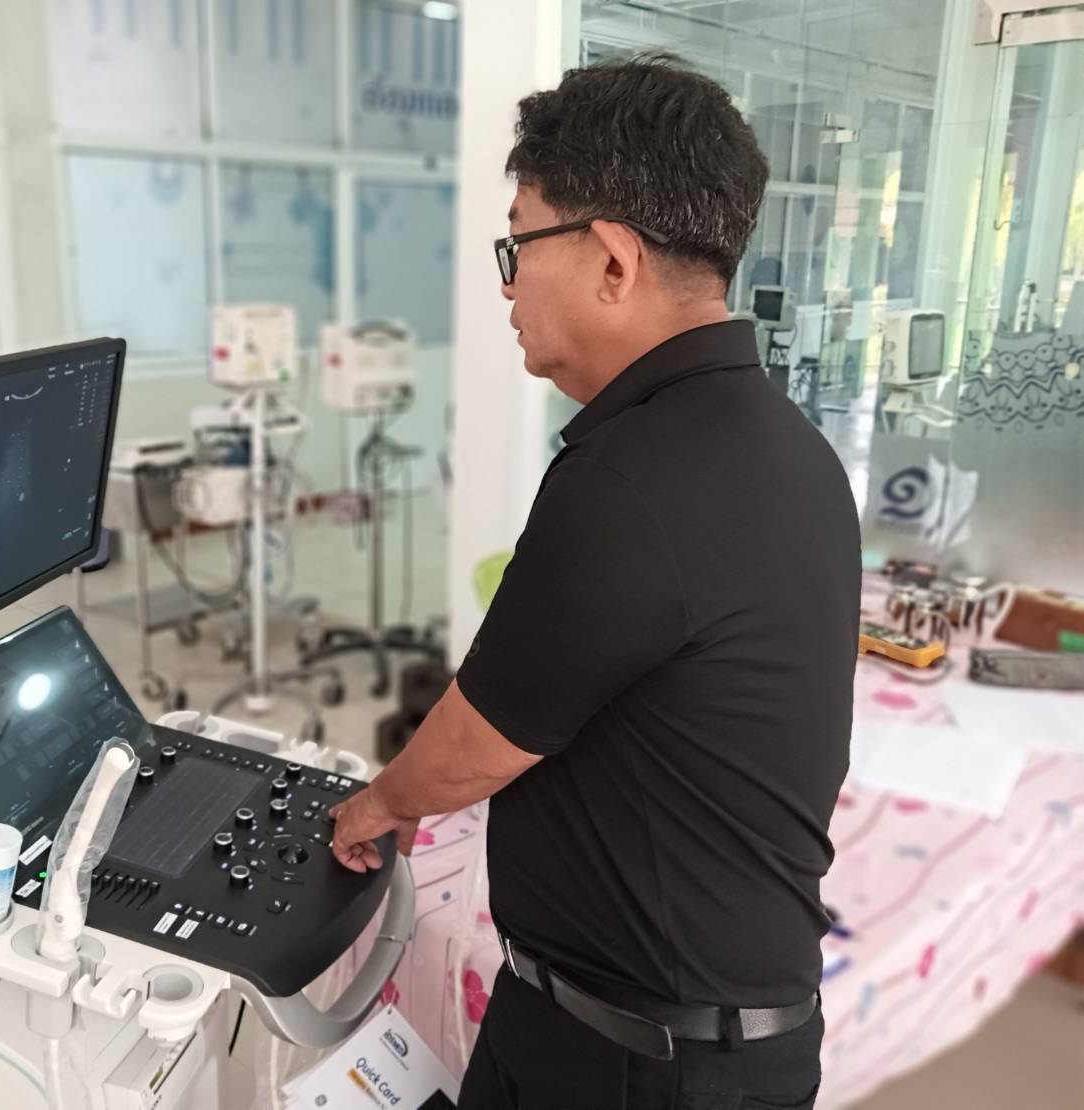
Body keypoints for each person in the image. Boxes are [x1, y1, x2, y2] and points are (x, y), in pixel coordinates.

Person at [329, 55, 859, 1109]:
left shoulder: (632, 480)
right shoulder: (785, 445)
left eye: (518, 244)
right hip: (694, 1030)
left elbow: (481, 739)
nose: (507, 284)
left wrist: (378, 805)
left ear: (612, 261)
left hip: (638, 1064)